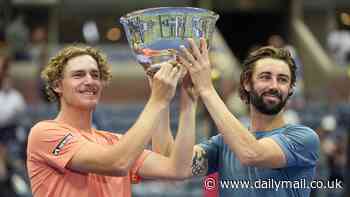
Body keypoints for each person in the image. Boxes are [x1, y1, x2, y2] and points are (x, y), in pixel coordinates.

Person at [26, 45, 197, 197]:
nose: (89, 81)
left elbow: (176, 169)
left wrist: (188, 98)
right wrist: (157, 100)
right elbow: (117, 163)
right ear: (57, 86)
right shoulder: (44, 133)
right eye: (78, 75)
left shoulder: (115, 142)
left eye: (95, 75)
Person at [156, 38, 320, 197]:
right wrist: (162, 100)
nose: (274, 86)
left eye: (283, 80)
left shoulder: (304, 138)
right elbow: (171, 166)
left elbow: (252, 153)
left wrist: (206, 89)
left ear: (290, 90)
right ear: (247, 83)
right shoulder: (224, 144)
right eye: (265, 77)